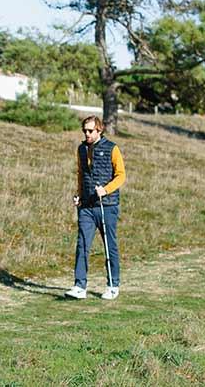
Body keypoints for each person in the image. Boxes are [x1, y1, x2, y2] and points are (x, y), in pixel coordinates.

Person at [65, 115, 126, 300]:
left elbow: (121, 175)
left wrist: (106, 190)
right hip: (87, 206)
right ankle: (79, 286)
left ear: (99, 130)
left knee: (110, 245)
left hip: (107, 206)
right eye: (84, 130)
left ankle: (113, 285)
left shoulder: (112, 148)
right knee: (82, 244)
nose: (87, 134)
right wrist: (79, 195)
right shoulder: (81, 149)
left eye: (90, 130)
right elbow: (81, 174)